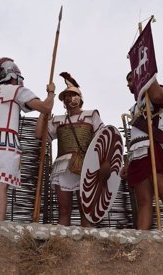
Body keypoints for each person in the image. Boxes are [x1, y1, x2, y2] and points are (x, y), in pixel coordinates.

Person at [0, 57, 55, 221]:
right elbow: (46, 107)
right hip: (5, 145)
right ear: (14, 75)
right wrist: (50, 92)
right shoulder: (17, 91)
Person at [35, 72, 104, 227]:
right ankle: (63, 245)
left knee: (86, 209)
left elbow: (104, 139)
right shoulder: (58, 120)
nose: (70, 98)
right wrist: (43, 110)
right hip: (62, 166)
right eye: (66, 96)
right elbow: (40, 134)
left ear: (80, 98)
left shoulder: (91, 115)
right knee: (64, 210)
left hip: (85, 166)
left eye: (73, 94)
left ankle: (88, 245)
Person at [120, 71, 163, 232]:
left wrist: (146, 72)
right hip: (137, 153)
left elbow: (159, 97)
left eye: (131, 79)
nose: (128, 84)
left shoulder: (157, 94)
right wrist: (128, 162)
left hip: (155, 146)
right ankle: (143, 240)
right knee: (143, 201)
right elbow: (134, 136)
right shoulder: (134, 108)